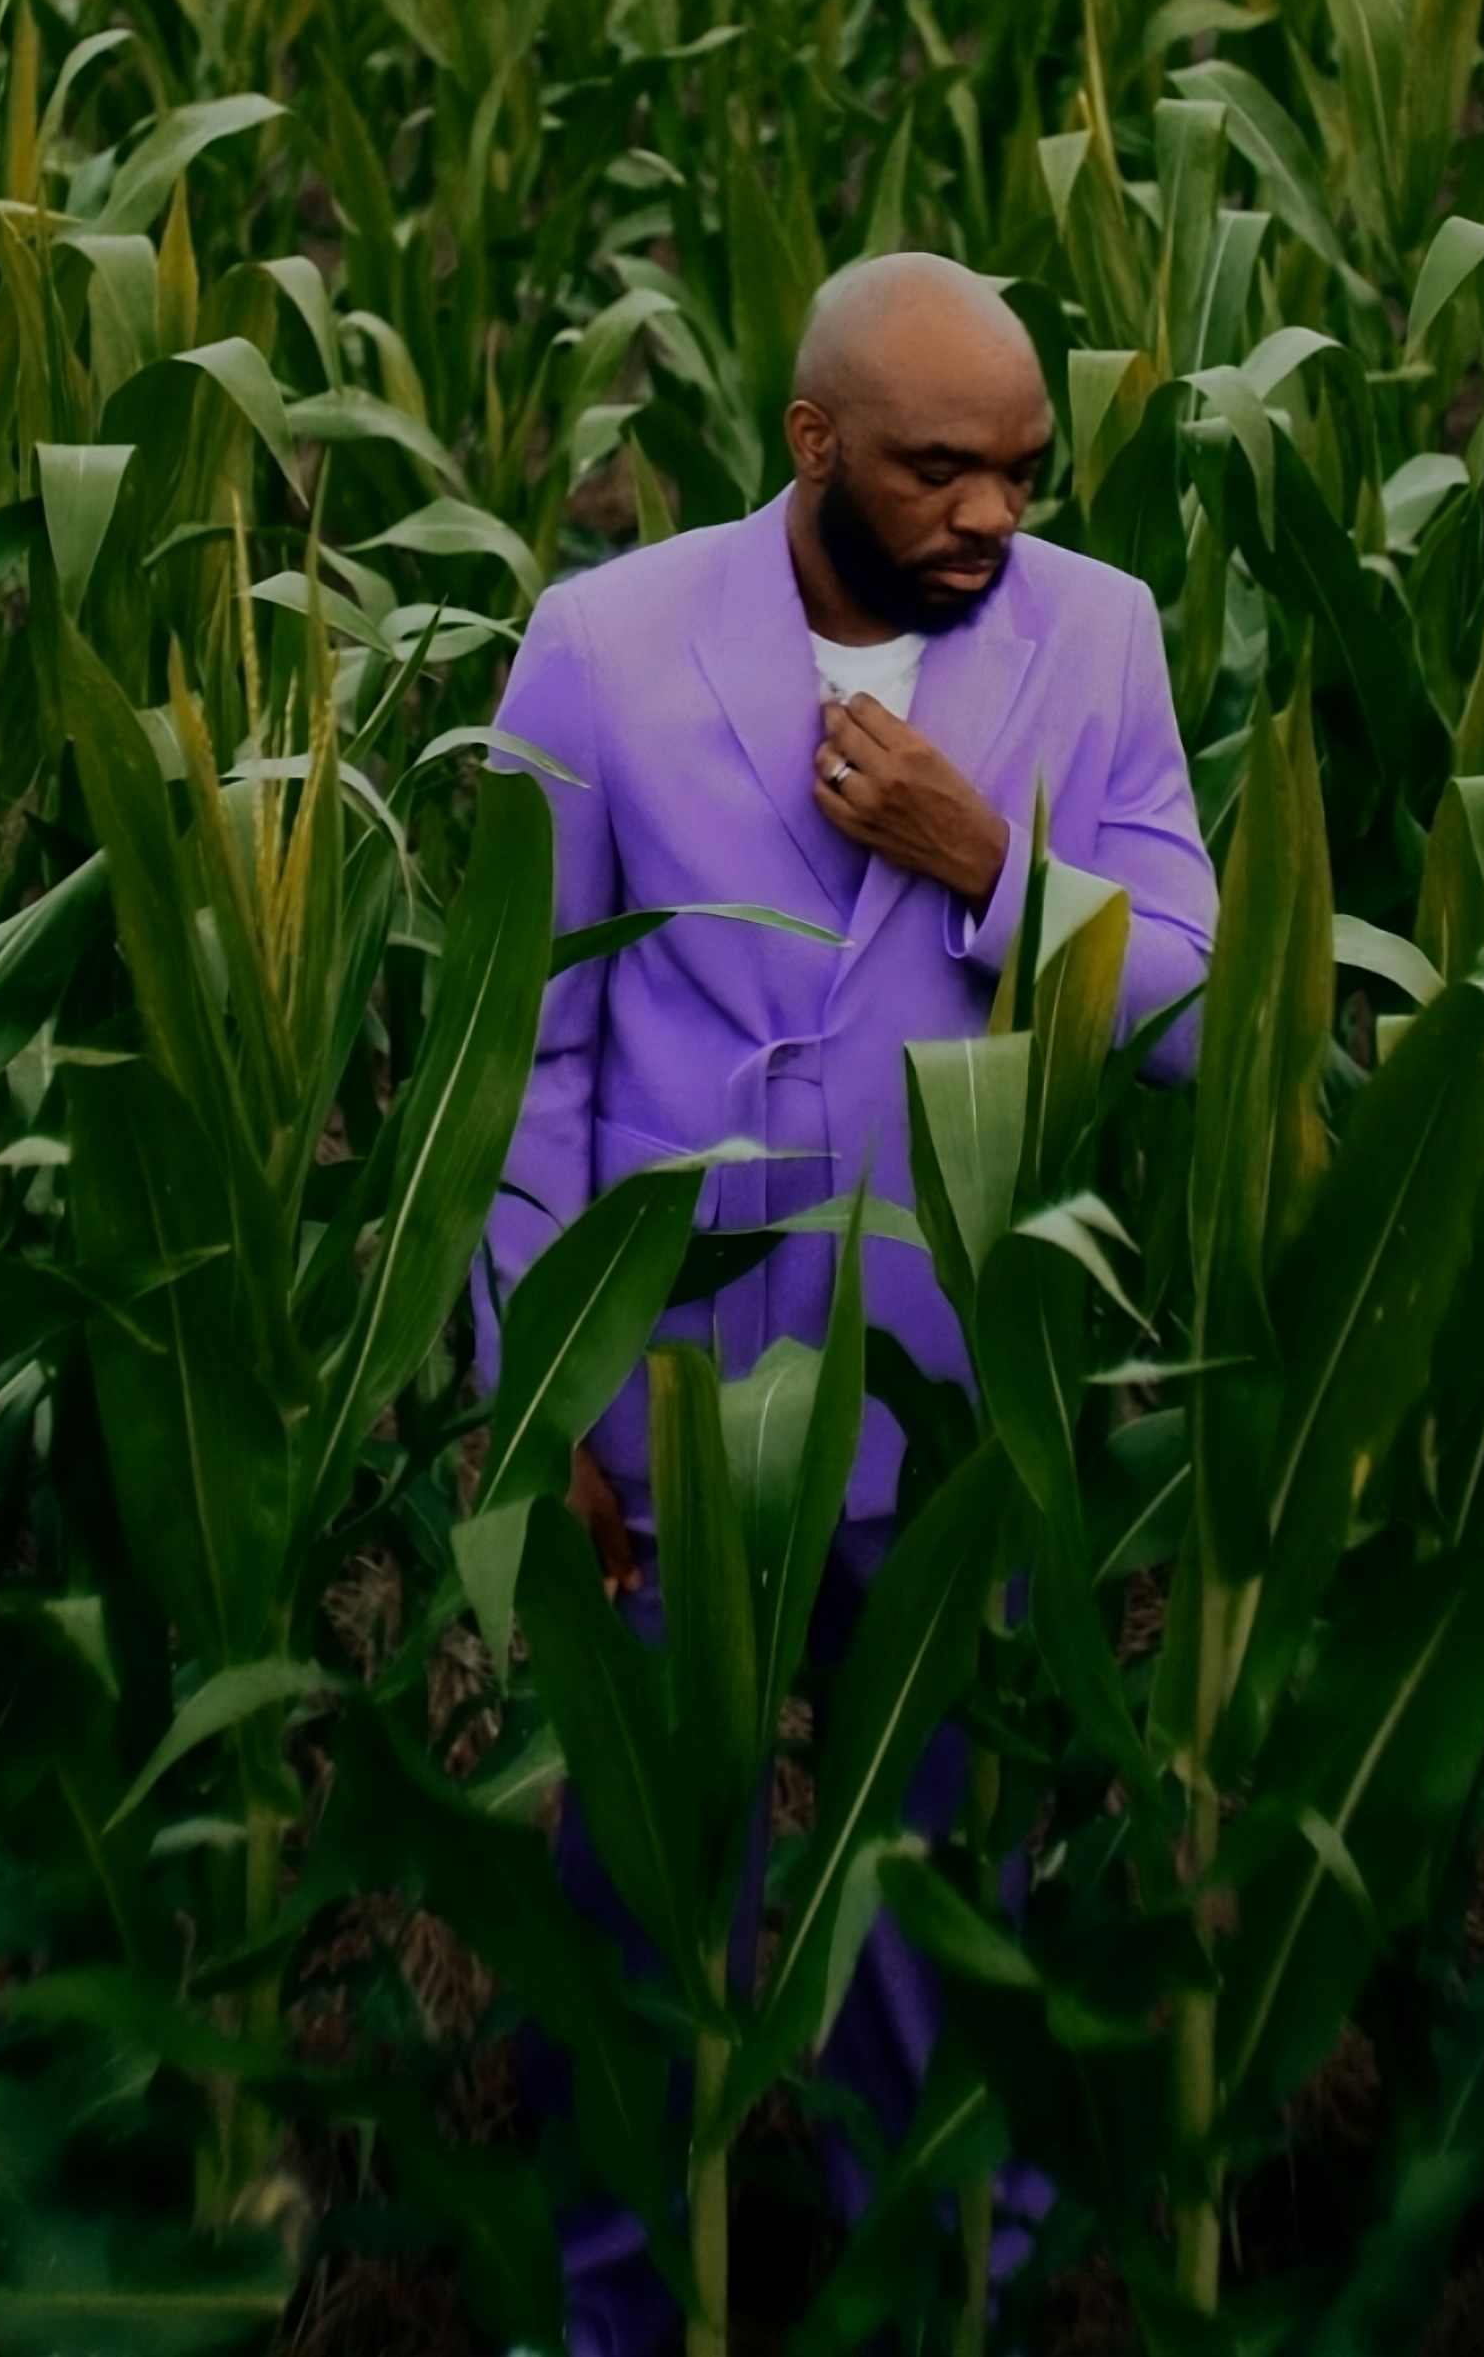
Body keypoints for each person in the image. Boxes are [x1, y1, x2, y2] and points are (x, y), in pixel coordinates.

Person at [473, 253, 1216, 2345]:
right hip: (669, 1406)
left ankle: (943, 2282)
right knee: (635, 1891)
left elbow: (1192, 1007)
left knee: (931, 1893)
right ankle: (625, 2304)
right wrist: (543, 1397)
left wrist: (996, 861)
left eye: (1023, 468)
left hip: (943, 1392)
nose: (994, 511)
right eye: (941, 468)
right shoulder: (605, 644)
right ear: (812, 446)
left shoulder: (1100, 637)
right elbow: (521, 1056)